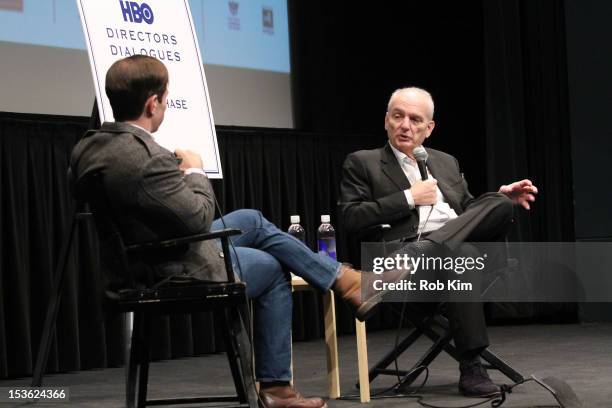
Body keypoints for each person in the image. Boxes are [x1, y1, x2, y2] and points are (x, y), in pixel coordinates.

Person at [69, 55, 409, 408]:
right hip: (166, 269)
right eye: (166, 99)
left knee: (250, 218)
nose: (166, 106)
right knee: (272, 267)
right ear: (152, 102)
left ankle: (345, 280)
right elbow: (199, 219)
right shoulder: (146, 157)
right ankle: (278, 388)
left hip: (134, 260)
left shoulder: (90, 148)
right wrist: (194, 171)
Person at [338, 87, 538, 397]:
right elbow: (350, 218)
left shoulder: (445, 162)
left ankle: (420, 251)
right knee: (462, 253)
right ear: (386, 121)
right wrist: (408, 198)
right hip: (411, 269)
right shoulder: (363, 162)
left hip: (418, 258)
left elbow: (469, 211)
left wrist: (500, 197)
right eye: (398, 116)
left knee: (499, 203)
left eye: (416, 119)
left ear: (429, 128)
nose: (406, 125)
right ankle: (471, 367)